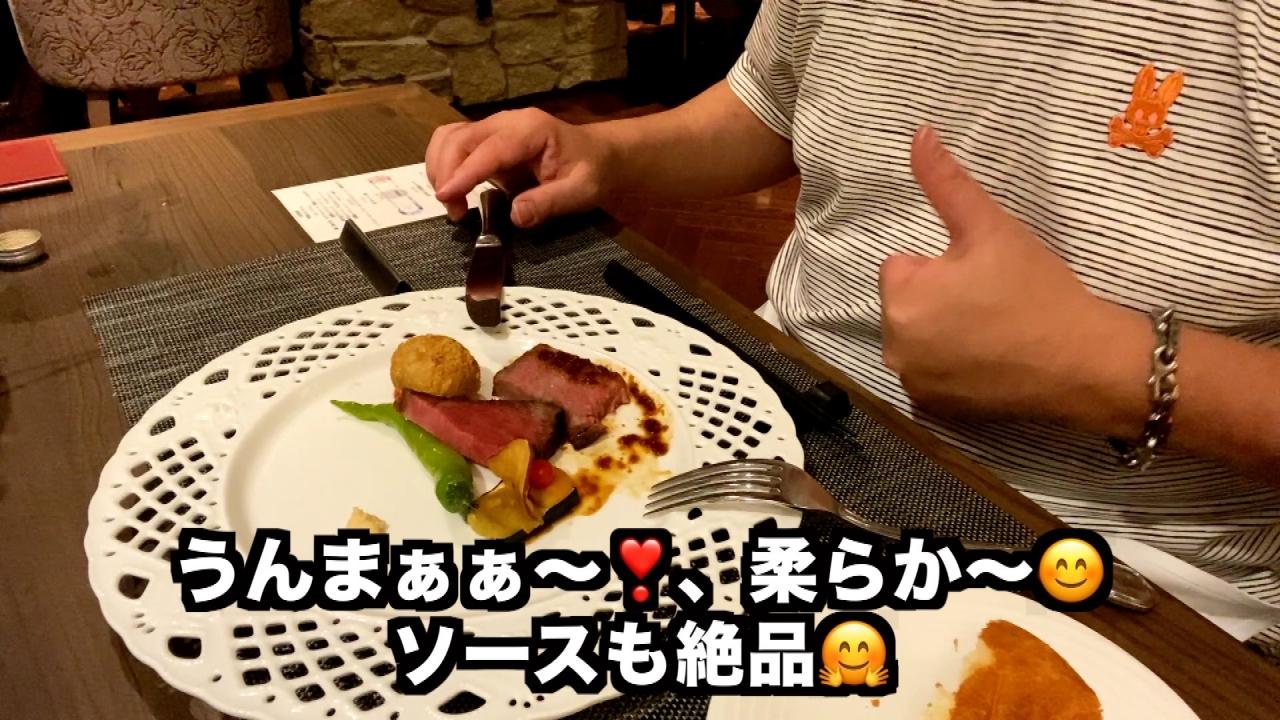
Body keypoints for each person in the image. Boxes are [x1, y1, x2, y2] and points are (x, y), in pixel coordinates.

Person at [427, 0, 1280, 653]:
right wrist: (607, 153)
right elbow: (770, 102)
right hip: (773, 413)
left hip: (1129, 564)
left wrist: (1106, 367)